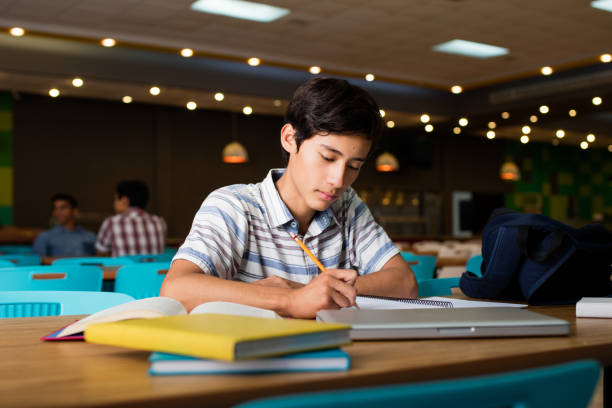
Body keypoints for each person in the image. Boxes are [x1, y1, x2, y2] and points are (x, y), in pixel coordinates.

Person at [161, 77, 417, 318]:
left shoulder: (347, 205)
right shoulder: (233, 204)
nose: (338, 180)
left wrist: (322, 290)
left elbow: (404, 283)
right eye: (328, 158)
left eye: (354, 166)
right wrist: (291, 300)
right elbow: (176, 290)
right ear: (290, 139)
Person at [96, 180, 166, 257]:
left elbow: (101, 253)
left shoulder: (111, 222)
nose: (114, 203)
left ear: (124, 201)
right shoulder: (159, 222)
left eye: (115, 199)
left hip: (121, 269)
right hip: (154, 269)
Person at [32, 194, 96, 263]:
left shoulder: (90, 236)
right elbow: (37, 261)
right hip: (57, 272)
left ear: (75, 211)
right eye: (55, 208)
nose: (57, 212)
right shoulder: (45, 236)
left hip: (88, 272)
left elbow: (101, 259)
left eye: (63, 208)